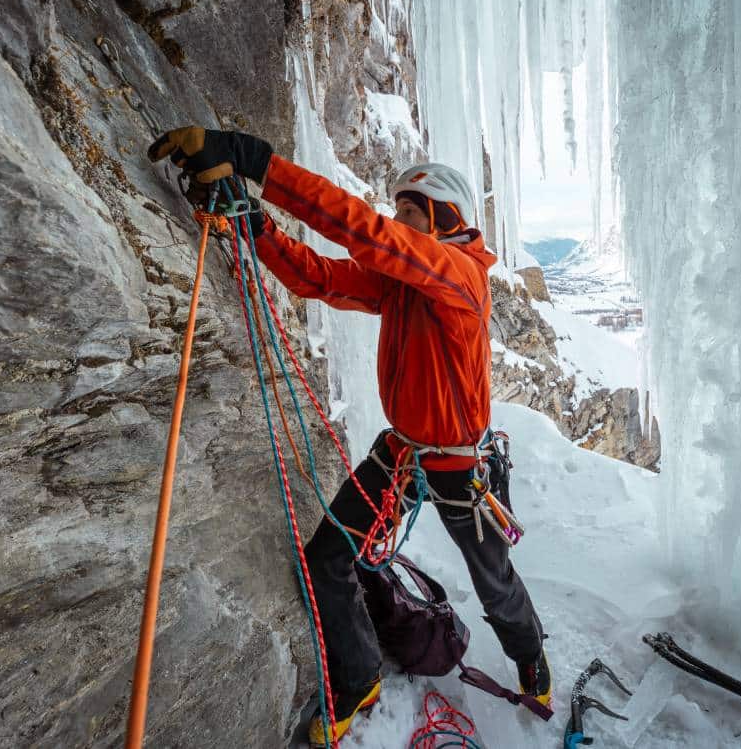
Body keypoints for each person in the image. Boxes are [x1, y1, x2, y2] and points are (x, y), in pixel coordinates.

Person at [148, 127, 550, 746]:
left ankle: (532, 662)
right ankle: (358, 676)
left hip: (458, 468)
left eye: (411, 214)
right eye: (400, 213)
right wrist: (255, 224)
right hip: (404, 452)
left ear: (444, 221)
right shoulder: (404, 284)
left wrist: (256, 162)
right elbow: (321, 279)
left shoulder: (461, 277)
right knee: (329, 556)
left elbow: (367, 234)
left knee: (494, 583)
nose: (399, 223)